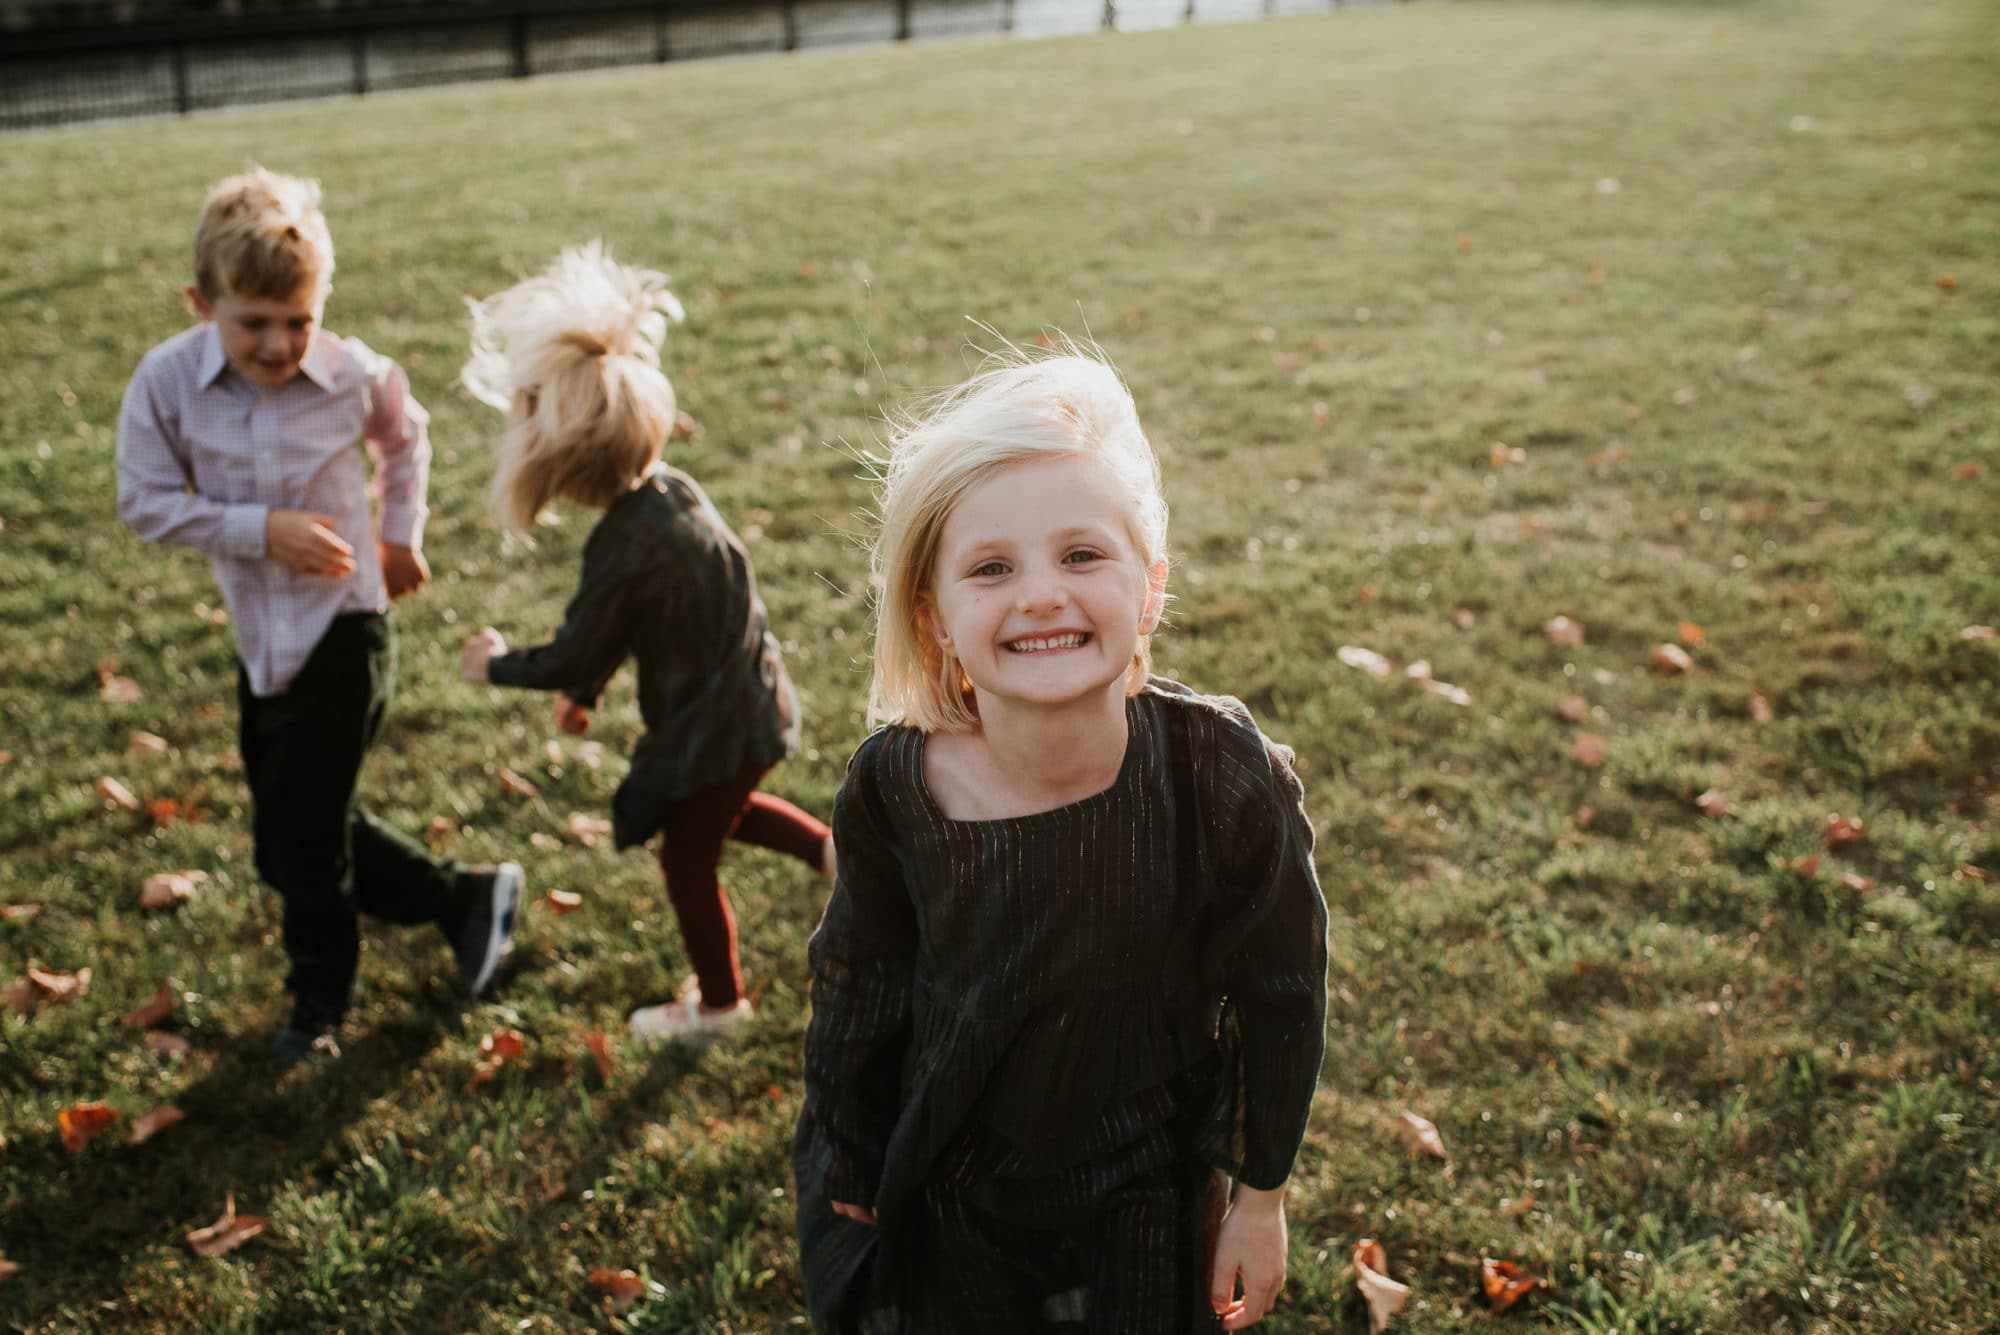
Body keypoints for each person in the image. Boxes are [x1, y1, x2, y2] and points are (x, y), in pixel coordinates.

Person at [792, 350, 1329, 1333]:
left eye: (1081, 556)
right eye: (991, 568)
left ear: (1151, 588)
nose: (1040, 594)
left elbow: (1279, 995)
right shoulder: (897, 788)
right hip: (955, 1176)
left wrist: (1260, 1196)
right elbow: (861, 976)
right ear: (935, 617)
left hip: (1142, 1188)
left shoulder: (1215, 778)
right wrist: (847, 1152)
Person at [116, 167, 522, 1067]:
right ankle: (463, 898)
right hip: (263, 638)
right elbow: (143, 500)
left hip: (348, 626)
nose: (277, 343)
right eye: (252, 322)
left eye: (297, 320)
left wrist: (400, 534)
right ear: (202, 301)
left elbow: (405, 436)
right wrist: (259, 530)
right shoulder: (168, 382)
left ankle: (318, 1006)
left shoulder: (351, 374)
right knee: (290, 833)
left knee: (302, 841)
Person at [457, 242, 833, 1043]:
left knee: (687, 859)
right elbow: (619, 637)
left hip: (715, 728)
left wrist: (493, 665)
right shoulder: (673, 492)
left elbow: (573, 648)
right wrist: (586, 693)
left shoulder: (621, 550)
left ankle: (722, 1006)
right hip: (752, 701)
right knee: (718, 815)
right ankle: (840, 857)